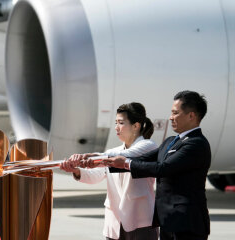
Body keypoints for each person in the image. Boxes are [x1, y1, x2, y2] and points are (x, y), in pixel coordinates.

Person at [101, 91, 211, 240]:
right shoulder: (171, 141)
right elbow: (143, 159)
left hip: (187, 222)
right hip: (167, 221)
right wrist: (102, 161)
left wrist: (125, 163)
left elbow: (163, 168)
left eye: (175, 113)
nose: (171, 117)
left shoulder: (196, 143)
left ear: (191, 115)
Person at [60, 103, 159, 240]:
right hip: (114, 222)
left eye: (121, 123)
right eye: (116, 123)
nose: (116, 127)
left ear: (136, 126)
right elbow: (95, 176)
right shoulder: (111, 153)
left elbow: (125, 156)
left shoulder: (148, 146)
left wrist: (88, 156)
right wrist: (76, 170)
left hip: (141, 222)